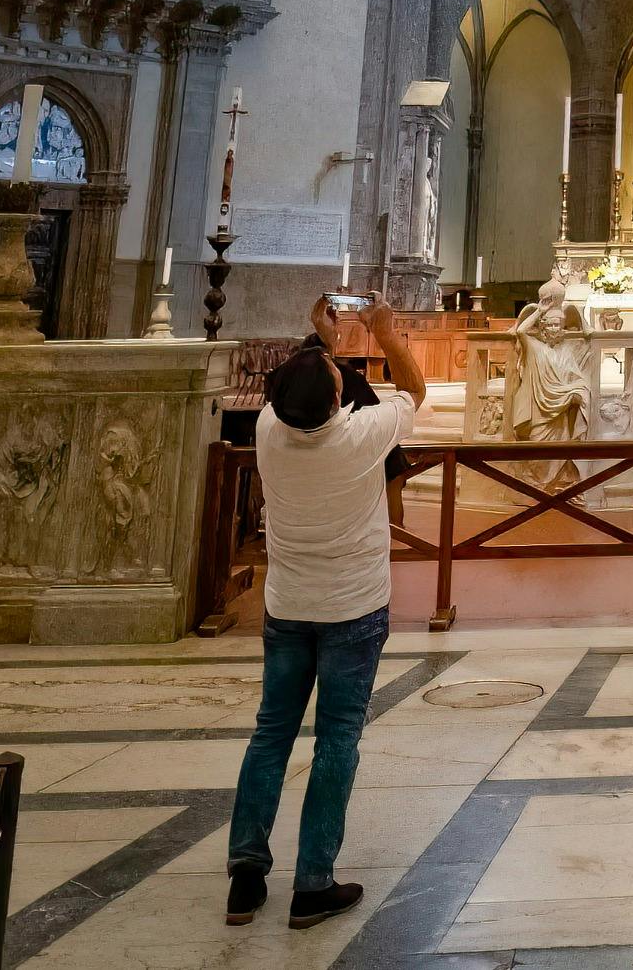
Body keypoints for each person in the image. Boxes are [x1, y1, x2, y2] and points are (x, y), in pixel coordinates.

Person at [225, 294, 422, 929]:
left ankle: (246, 876)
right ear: (339, 403)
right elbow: (411, 392)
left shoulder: (267, 430)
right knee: (337, 739)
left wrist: (323, 341)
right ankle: (313, 882)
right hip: (354, 608)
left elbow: (308, 392)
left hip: (286, 607)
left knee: (270, 734)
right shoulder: (362, 438)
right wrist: (386, 337)